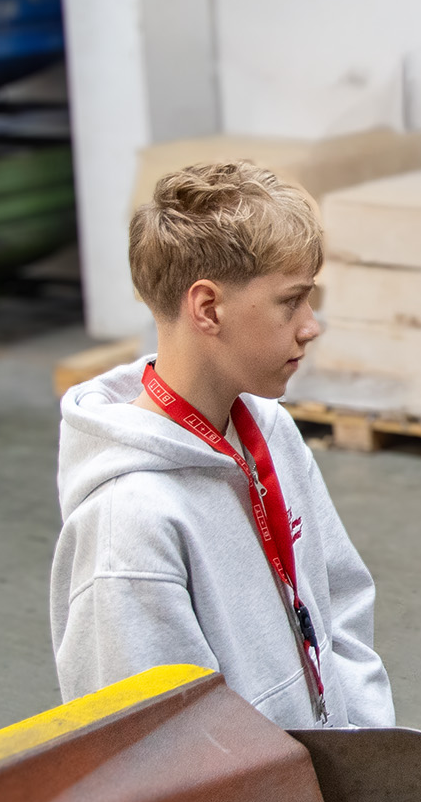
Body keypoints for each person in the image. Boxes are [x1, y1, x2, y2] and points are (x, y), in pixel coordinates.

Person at [51, 161, 394, 729]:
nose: (311, 325)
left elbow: (341, 601)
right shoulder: (129, 527)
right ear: (208, 308)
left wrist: (364, 752)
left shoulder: (270, 430)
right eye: (292, 300)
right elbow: (155, 748)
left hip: (326, 788)